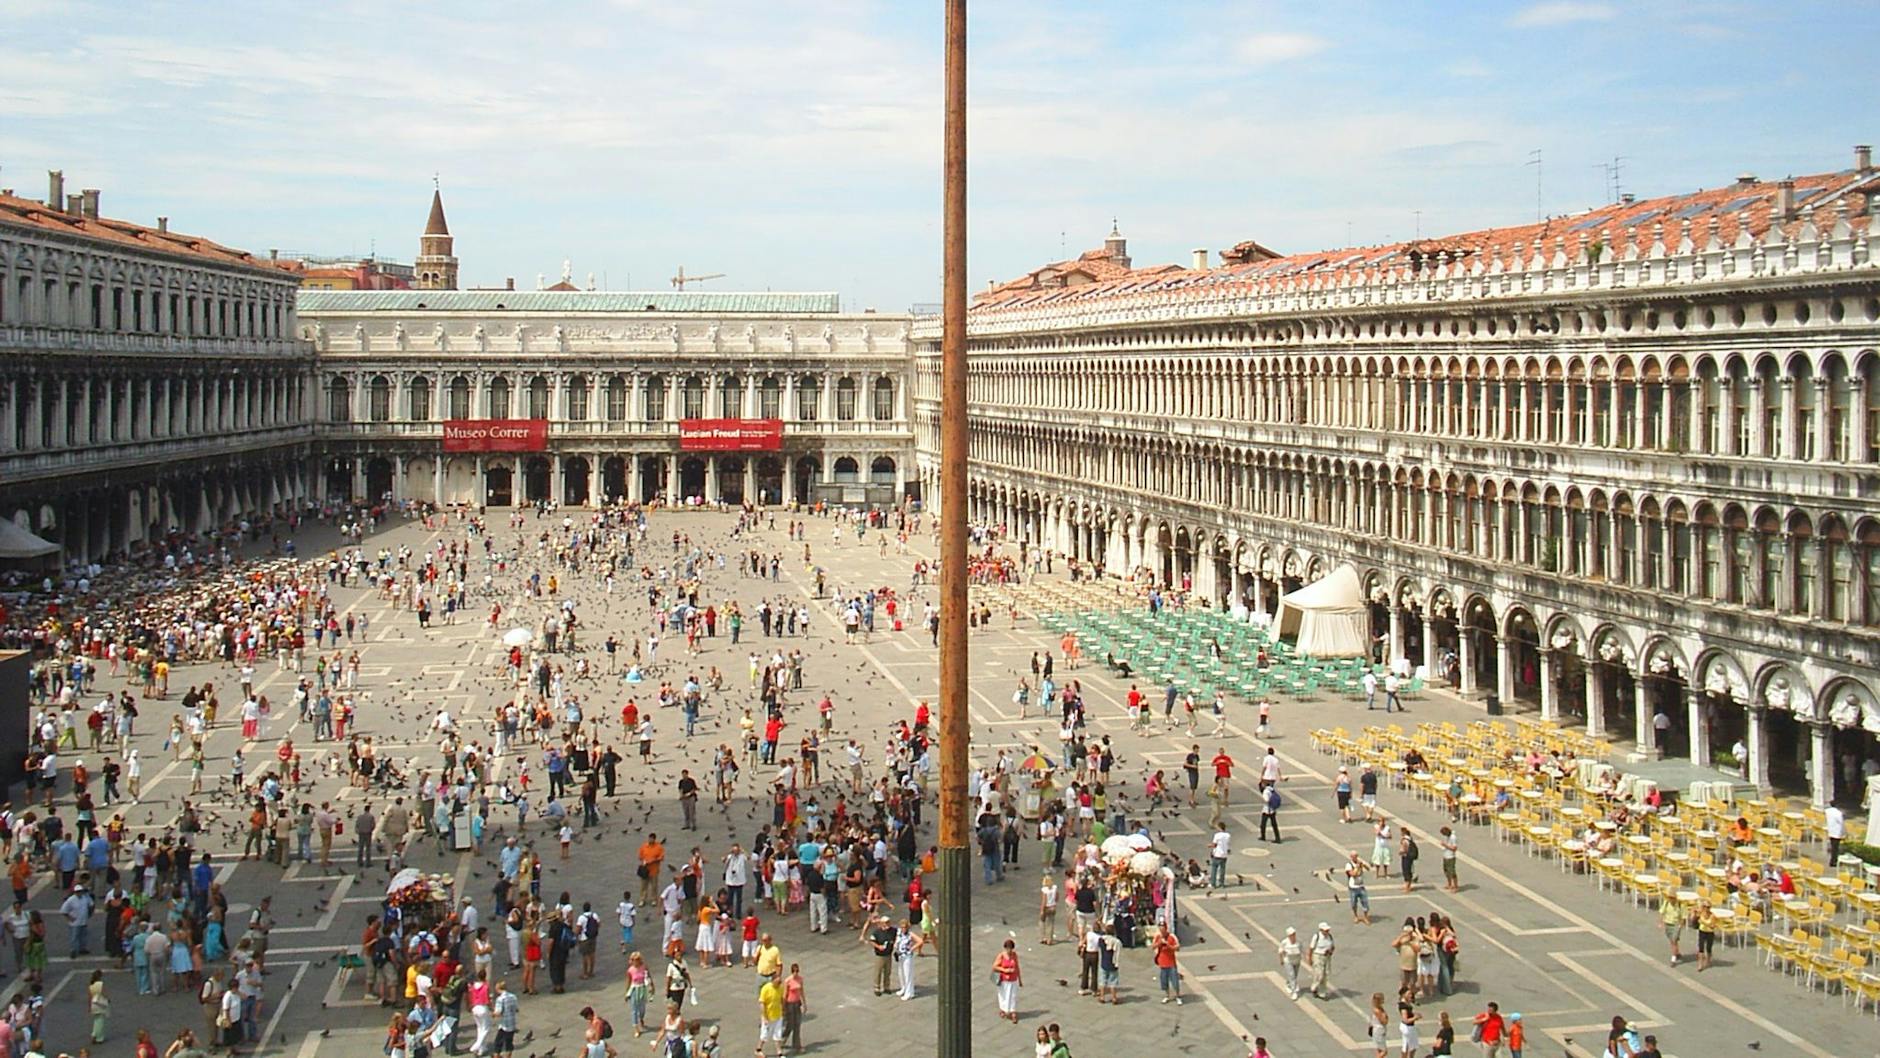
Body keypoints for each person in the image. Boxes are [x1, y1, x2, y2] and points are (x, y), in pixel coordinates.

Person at [991, 937, 1022, 1022]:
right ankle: (1003, 1010)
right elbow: (994, 966)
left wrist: (1020, 979)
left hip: (1013, 979)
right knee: (1003, 995)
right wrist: (1005, 970)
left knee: (1013, 996)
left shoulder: (1014, 955)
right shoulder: (1001, 956)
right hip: (1004, 980)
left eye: (1011, 948)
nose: (1009, 950)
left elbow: (1017, 967)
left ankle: (1013, 1012)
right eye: (1008, 948)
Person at [1151, 922, 1182, 1005]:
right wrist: (1159, 943)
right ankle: (1167, 996)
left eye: (1163, 929)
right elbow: (1153, 946)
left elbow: (1178, 947)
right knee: (1164, 981)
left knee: (1175, 981)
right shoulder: (1157, 936)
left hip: (1171, 963)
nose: (1162, 931)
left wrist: (1169, 945)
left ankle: (1178, 996)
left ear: (1166, 928)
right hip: (1162, 963)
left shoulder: (1172, 936)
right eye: (1160, 929)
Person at [1306, 923, 1335, 999]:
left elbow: (1333, 947)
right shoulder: (1317, 936)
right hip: (1318, 956)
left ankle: (1322, 992)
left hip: (1327, 957)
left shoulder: (1330, 937)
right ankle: (1314, 987)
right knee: (1319, 974)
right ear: (1321, 930)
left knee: (1325, 975)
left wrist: (1330, 951)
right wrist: (1309, 958)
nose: (1327, 931)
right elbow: (1311, 948)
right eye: (1325, 930)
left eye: (1328, 930)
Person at [1276, 926, 1303, 999]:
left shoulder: (1298, 941)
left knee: (1295, 974)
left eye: (1294, 934)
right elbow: (1280, 951)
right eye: (1291, 935)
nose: (1293, 936)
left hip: (1297, 960)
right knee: (1291, 975)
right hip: (1288, 961)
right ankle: (1294, 991)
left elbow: (1301, 950)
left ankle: (1289, 984)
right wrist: (1281, 960)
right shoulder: (1284, 942)